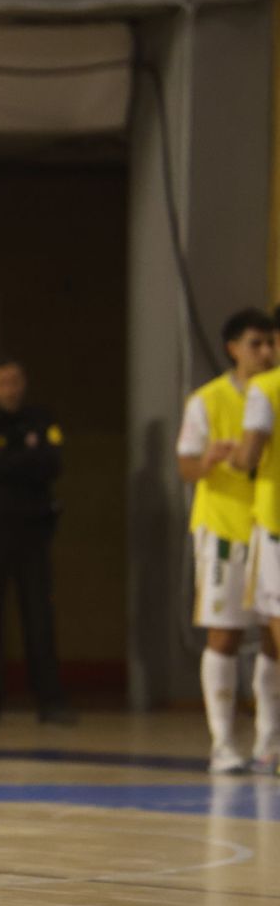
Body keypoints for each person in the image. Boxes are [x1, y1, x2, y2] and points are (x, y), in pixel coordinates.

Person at [178, 310, 276, 773]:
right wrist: (214, 460)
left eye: (269, 343)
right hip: (223, 526)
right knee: (225, 632)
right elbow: (186, 466)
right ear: (233, 347)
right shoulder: (207, 400)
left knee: (273, 637)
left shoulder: (271, 390)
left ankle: (268, 742)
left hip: (265, 523)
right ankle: (223, 742)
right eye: (256, 343)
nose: (265, 352)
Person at [0, 360, 73, 725]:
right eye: (1, 382)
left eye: (15, 381)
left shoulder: (41, 419)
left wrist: (7, 459)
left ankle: (50, 701)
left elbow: (51, 463)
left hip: (33, 532)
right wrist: (22, 459)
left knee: (40, 616)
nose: (9, 388)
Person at [224, 321, 280, 775]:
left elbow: (249, 454)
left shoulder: (266, 388)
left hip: (276, 520)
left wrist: (234, 454)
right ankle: (267, 741)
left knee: (276, 629)